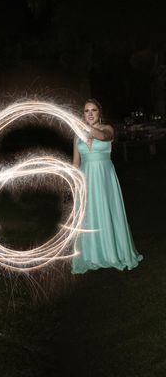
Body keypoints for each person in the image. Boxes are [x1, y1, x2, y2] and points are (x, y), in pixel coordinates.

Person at [71, 99, 142, 273]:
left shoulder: (107, 129)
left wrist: (82, 126)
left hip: (104, 177)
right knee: (88, 215)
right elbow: (75, 163)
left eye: (93, 110)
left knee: (108, 211)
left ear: (99, 113)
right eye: (86, 110)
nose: (89, 113)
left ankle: (113, 252)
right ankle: (92, 255)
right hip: (86, 178)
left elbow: (103, 137)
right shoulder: (77, 134)